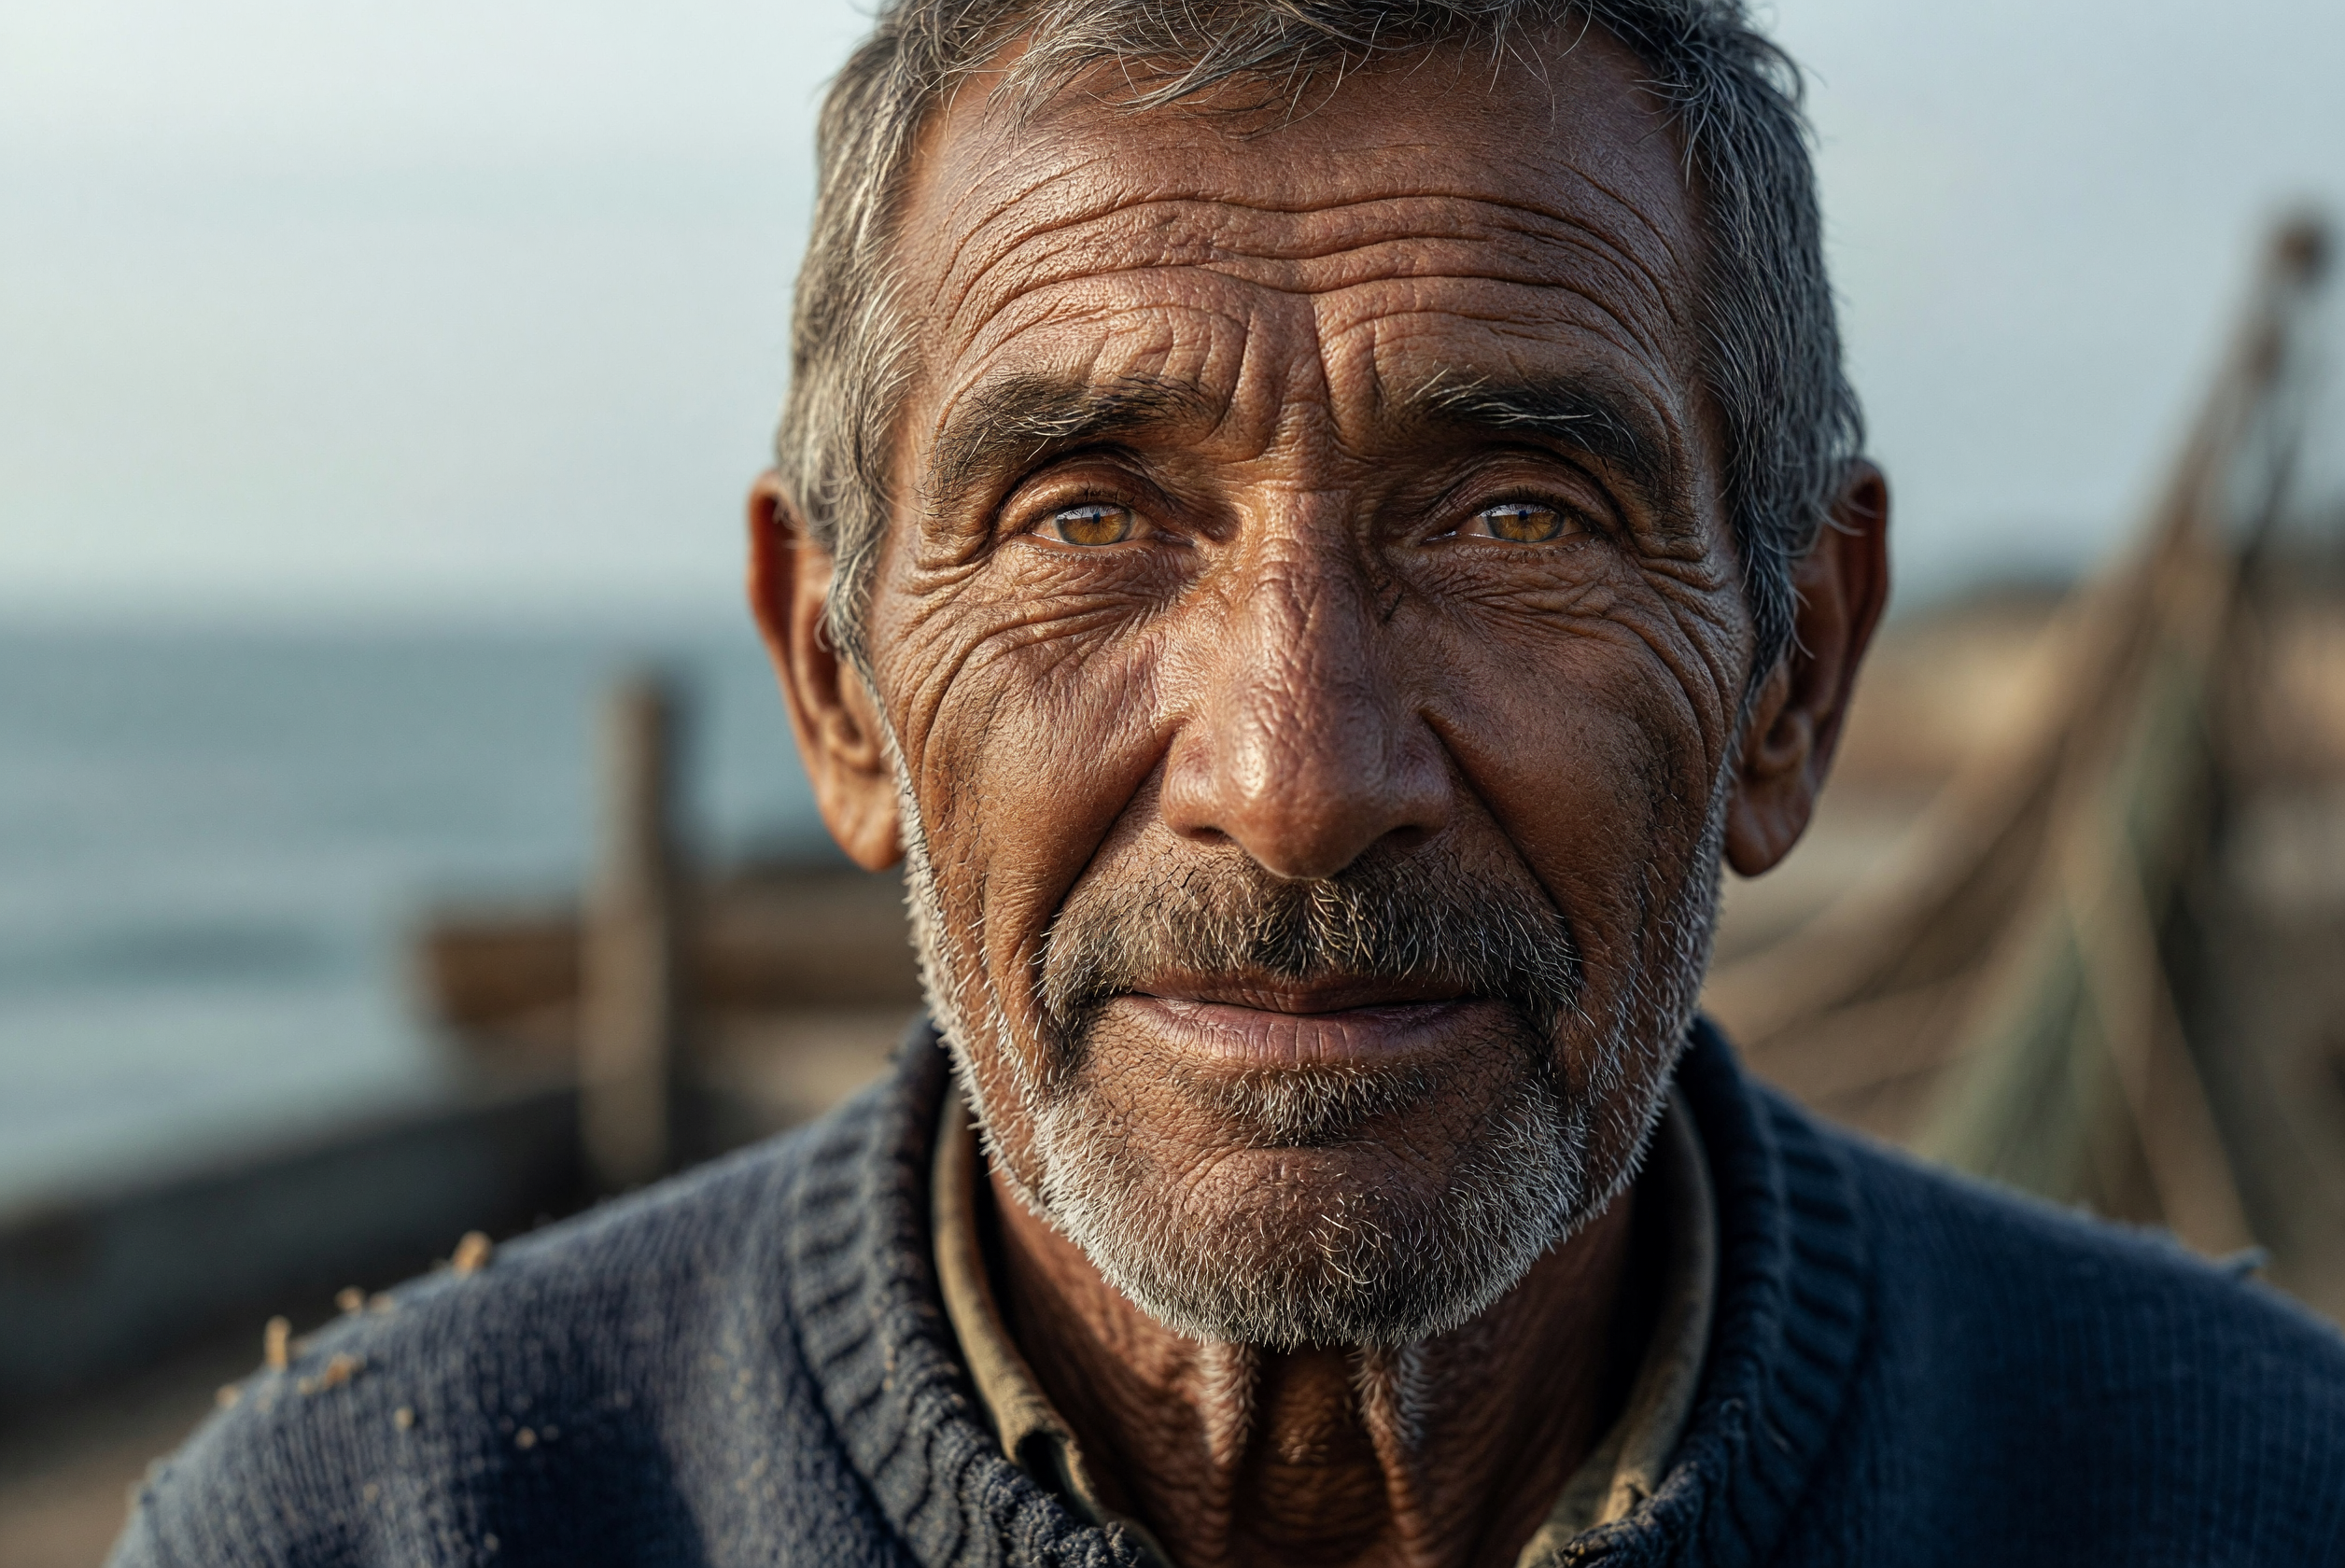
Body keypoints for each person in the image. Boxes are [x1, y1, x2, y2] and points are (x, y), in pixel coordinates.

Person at [112, 2, 2345, 1564]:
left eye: (1513, 519)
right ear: (838, 686)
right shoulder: (374, 1528)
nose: (1291, 776)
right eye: (1085, 512)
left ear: (1790, 674)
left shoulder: (2251, 1495)